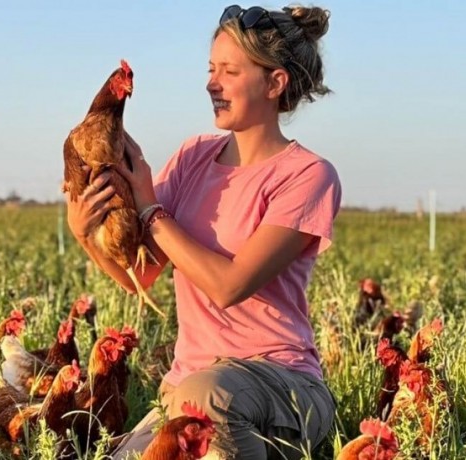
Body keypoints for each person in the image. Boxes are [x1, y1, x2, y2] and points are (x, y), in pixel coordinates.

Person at [65, 4, 341, 460]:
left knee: (208, 395)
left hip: (280, 386)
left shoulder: (307, 176)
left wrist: (151, 208)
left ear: (275, 83)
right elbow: (144, 274)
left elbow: (228, 286)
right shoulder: (193, 157)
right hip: (189, 386)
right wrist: (83, 233)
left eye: (229, 71)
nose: (212, 83)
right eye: (211, 69)